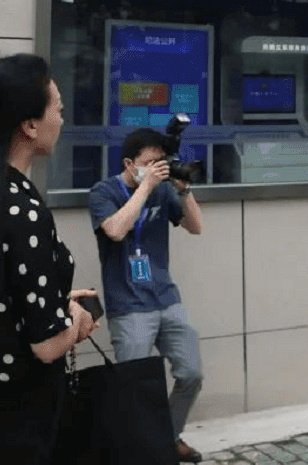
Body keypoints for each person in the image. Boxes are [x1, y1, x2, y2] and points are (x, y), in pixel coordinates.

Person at [0, 54, 98, 463]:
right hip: (20, 414)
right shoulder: (22, 209)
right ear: (30, 124)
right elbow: (46, 345)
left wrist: (55, 299)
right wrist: (74, 317)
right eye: (57, 108)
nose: (62, 118)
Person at [89, 128, 205, 464]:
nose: (157, 168)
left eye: (161, 162)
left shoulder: (163, 189)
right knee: (134, 388)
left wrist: (184, 190)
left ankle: (169, 437)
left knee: (191, 372)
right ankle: (138, 453)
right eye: (150, 162)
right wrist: (146, 187)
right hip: (129, 305)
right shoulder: (103, 192)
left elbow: (196, 227)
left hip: (165, 297)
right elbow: (115, 230)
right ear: (129, 164)